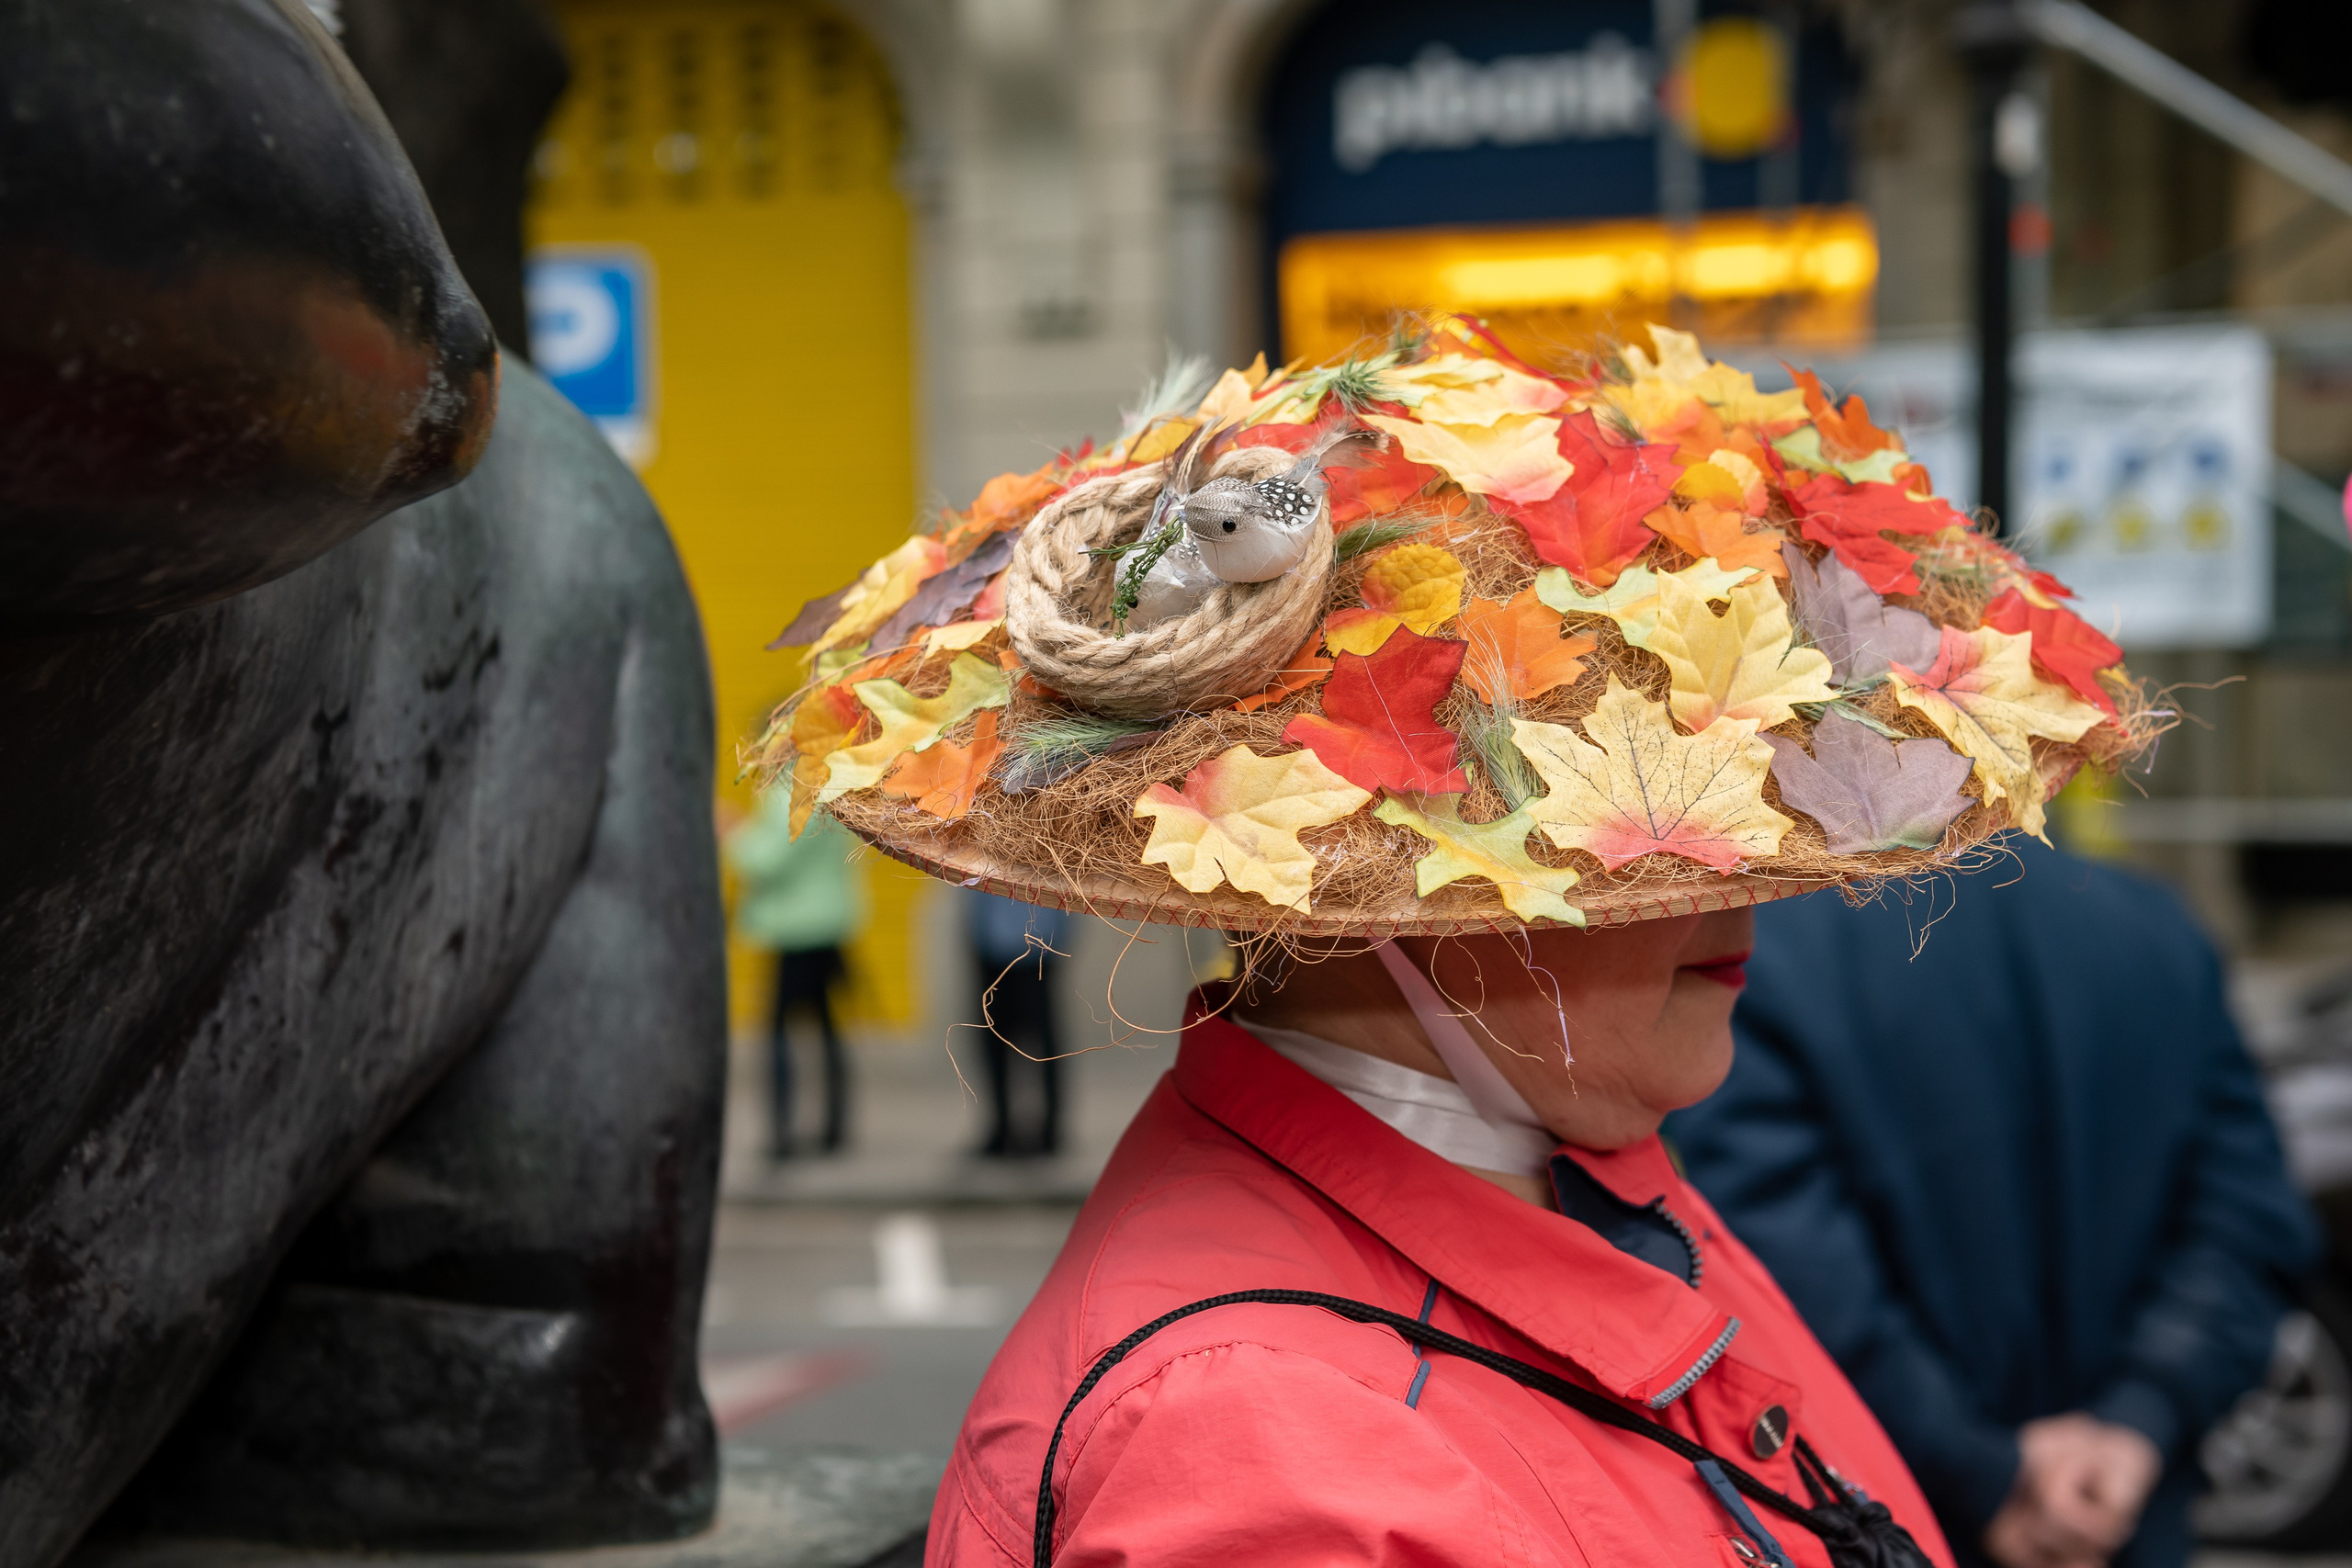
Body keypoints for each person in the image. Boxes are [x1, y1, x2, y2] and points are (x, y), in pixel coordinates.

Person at [756, 324, 2158, 1568]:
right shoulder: (1258, 1451)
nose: (1745, 887)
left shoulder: (1563, 1152)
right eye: (1619, 840)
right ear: (1383, 896)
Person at [1667, 841, 2321, 1568]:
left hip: (1896, 1516)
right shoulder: (2155, 926)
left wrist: (1987, 1470)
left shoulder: (1764, 949)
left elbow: (1789, 1273)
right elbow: (2246, 1221)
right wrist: (2134, 1425)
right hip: (2119, 1515)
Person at [726, 798, 866, 1156]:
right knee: (825, 1027)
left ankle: (783, 1132)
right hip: (826, 919)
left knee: (779, 1033)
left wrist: (731, 832)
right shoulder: (832, 775)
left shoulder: (797, 787)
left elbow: (769, 859)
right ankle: (834, 1129)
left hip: (797, 928)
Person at [968, 891, 1076, 1158]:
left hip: (1037, 946)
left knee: (1044, 1044)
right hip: (992, 943)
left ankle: (1050, 1129)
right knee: (994, 1041)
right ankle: (1001, 1127)